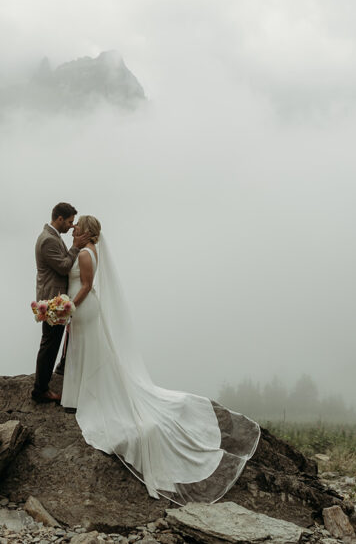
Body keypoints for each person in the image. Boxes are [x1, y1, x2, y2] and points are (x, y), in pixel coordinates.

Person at [58, 214, 261, 504]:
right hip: (79, 311)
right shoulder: (82, 251)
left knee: (89, 352)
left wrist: (68, 305)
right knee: (84, 352)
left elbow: (87, 286)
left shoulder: (88, 255)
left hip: (84, 308)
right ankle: (78, 394)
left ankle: (87, 396)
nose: (74, 229)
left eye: (78, 227)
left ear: (88, 233)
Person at [31, 202, 88, 404]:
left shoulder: (52, 237)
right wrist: (76, 247)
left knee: (53, 342)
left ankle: (52, 376)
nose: (71, 227)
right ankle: (40, 390)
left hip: (54, 297)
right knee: (49, 344)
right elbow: (64, 267)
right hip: (51, 298)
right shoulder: (48, 240)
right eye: (70, 222)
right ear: (59, 219)